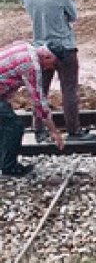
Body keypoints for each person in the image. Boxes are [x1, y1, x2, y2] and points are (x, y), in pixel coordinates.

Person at [21, 0, 95, 143]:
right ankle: (74, 130)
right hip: (64, 47)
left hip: (40, 48)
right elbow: (72, 17)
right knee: (69, 90)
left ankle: (39, 130)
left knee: (41, 90)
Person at [0, 41, 65, 177]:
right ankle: (9, 168)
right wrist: (53, 131)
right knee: (14, 126)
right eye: (53, 65)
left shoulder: (26, 47)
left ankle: (5, 161)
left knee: (5, 123)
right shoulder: (32, 66)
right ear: (47, 57)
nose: (50, 69)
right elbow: (39, 101)